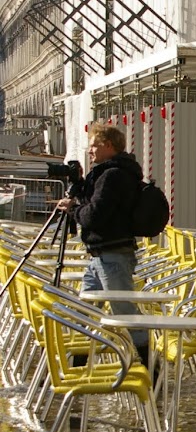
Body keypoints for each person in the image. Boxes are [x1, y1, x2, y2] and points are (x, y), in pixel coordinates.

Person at [56, 123, 148, 364]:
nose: (90, 151)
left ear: (109, 145)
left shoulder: (113, 175)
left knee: (124, 311)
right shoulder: (109, 173)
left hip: (113, 255)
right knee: (85, 311)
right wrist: (79, 189)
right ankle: (77, 366)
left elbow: (95, 215)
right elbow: (94, 208)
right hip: (101, 256)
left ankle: (150, 364)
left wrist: (73, 209)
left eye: (94, 145)